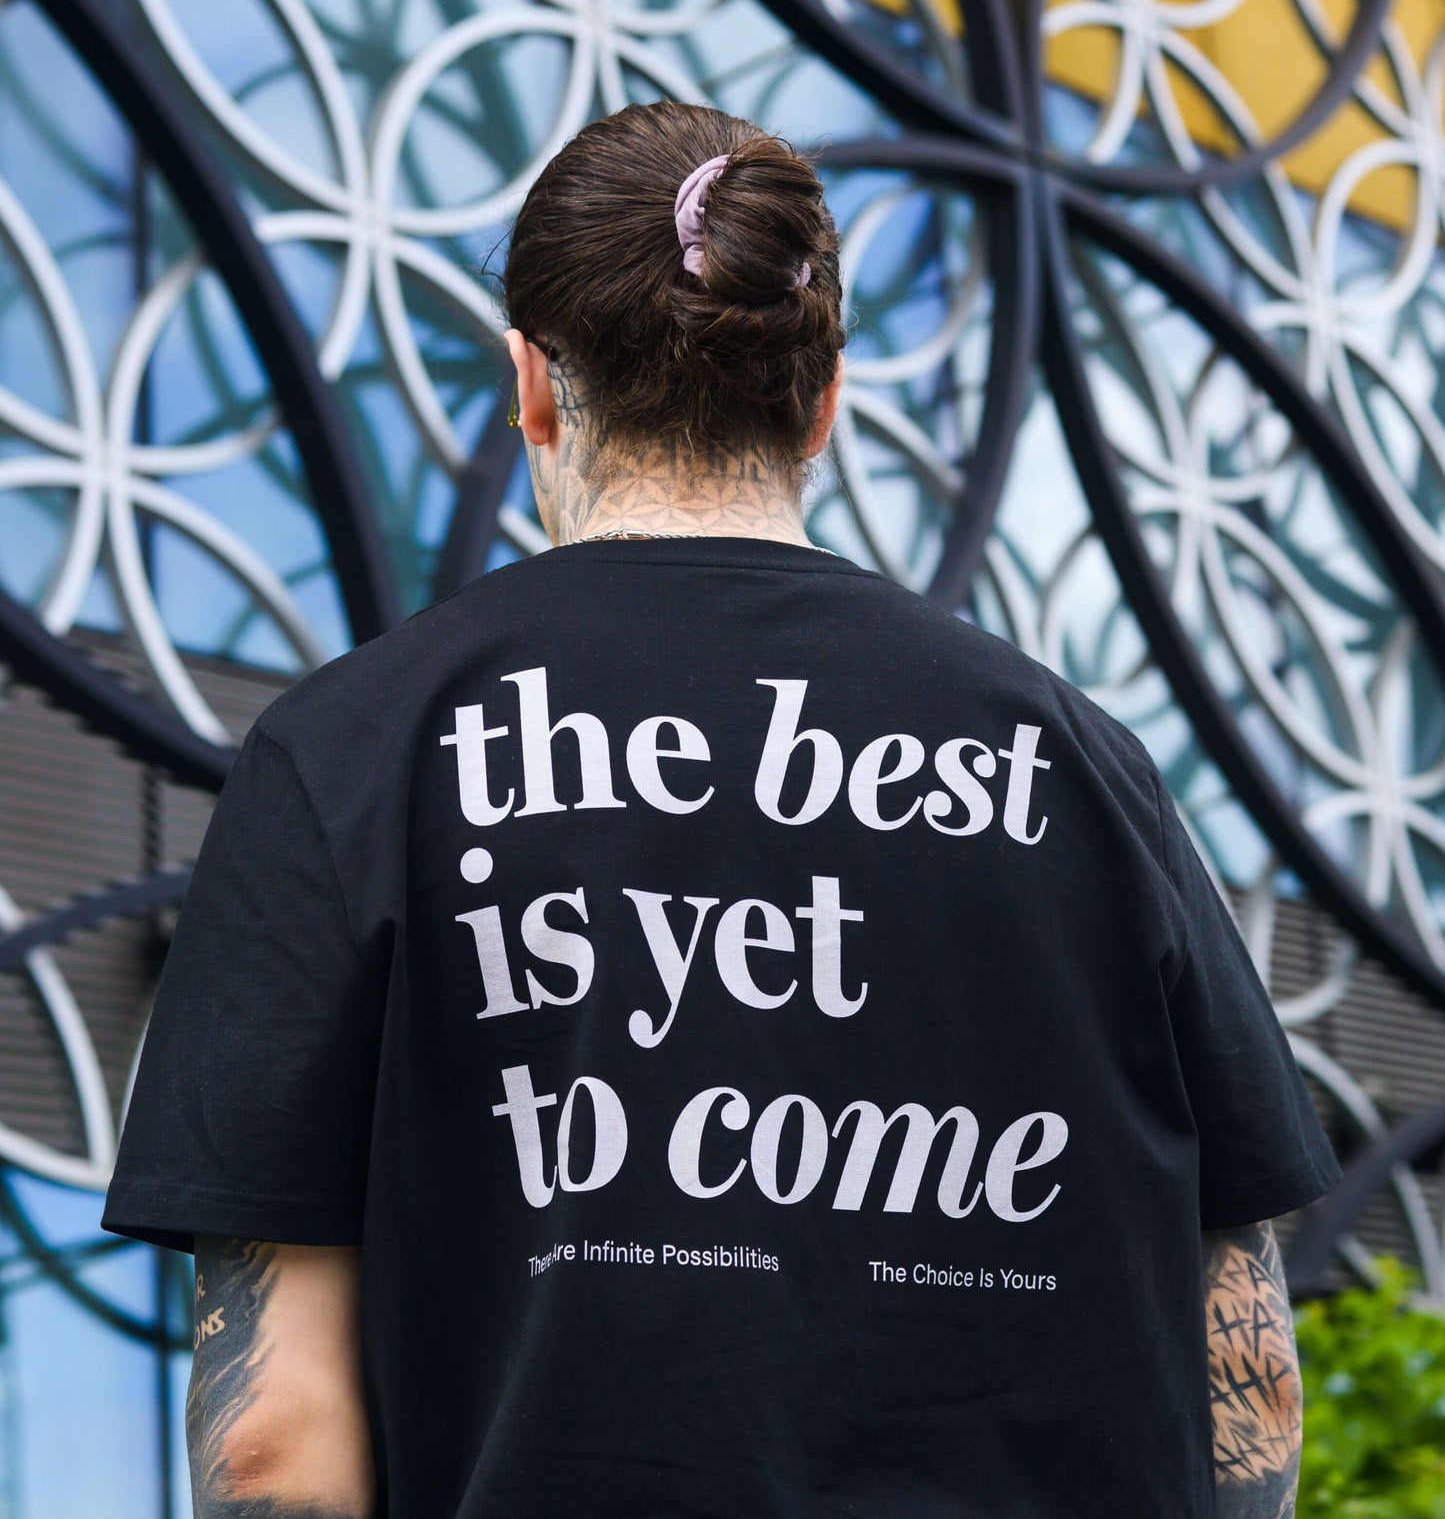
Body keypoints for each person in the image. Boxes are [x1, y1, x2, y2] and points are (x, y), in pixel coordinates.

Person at [104, 99, 1339, 1518]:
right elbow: (1242, 1383)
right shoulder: (1079, 763)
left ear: (535, 389)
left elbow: (273, 1436)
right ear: (820, 403)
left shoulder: (348, 752)